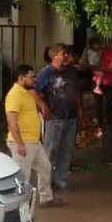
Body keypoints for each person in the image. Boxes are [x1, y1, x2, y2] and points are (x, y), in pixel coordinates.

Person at [5, 65, 60, 208]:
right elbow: (11, 120)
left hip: (33, 141)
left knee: (45, 168)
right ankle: (19, 206)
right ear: (21, 78)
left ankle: (45, 198)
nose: (35, 79)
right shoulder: (14, 94)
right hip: (23, 142)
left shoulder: (27, 93)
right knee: (23, 176)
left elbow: (37, 104)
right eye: (32, 77)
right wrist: (19, 144)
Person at [36, 43, 80, 193]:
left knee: (66, 150)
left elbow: (76, 91)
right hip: (54, 117)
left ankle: (60, 181)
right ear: (54, 56)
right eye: (63, 53)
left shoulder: (72, 72)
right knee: (50, 151)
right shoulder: (46, 73)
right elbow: (34, 92)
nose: (67, 56)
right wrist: (43, 106)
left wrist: (80, 109)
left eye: (67, 53)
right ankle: (45, 183)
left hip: (71, 117)